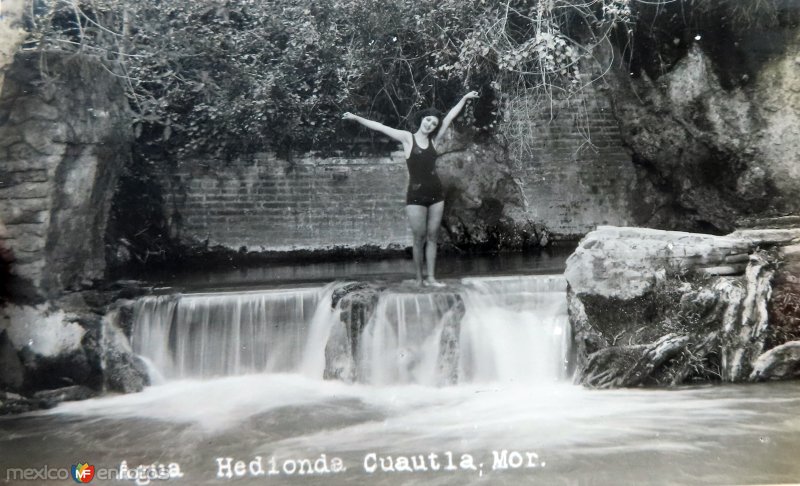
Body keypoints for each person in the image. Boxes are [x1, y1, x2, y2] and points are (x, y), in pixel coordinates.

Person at [343, 91, 479, 286]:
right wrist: (356, 118)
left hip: (436, 195)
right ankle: (419, 279)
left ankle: (431, 278)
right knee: (419, 237)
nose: (430, 124)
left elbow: (449, 117)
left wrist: (464, 99)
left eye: (433, 123)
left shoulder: (434, 140)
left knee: (432, 237)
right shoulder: (407, 138)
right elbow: (381, 127)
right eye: (428, 120)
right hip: (415, 196)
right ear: (422, 119)